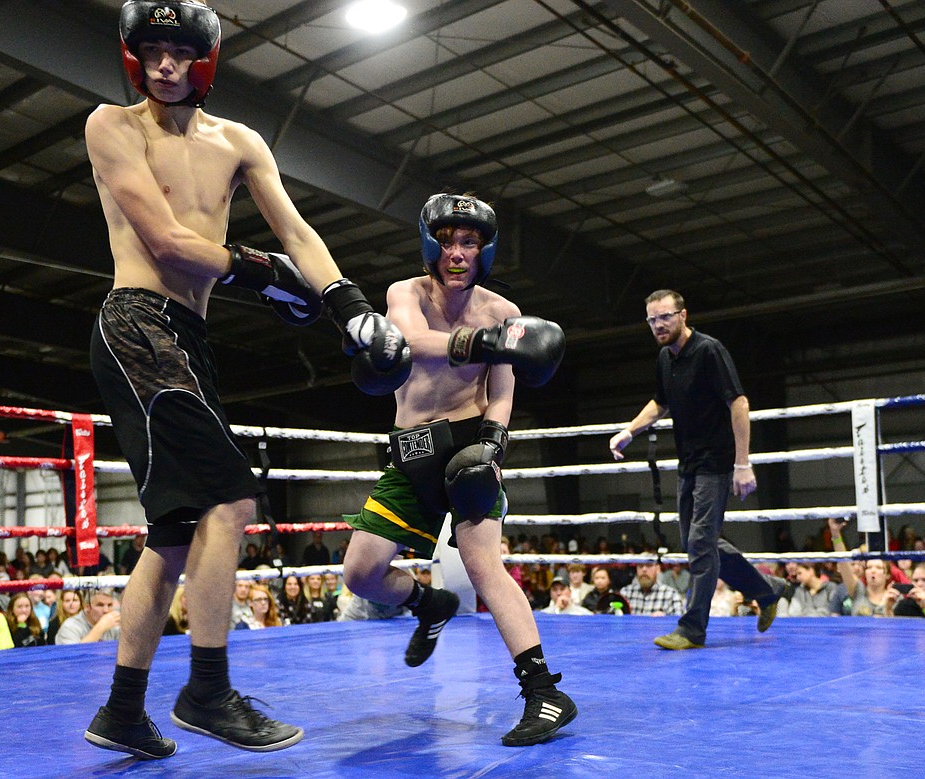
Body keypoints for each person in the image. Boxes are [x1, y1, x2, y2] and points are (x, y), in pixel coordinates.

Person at [81, 1, 412, 760]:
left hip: (189, 337)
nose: (166, 65)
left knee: (172, 532)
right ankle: (206, 689)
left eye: (180, 52)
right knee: (230, 496)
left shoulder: (240, 141)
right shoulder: (112, 125)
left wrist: (351, 309)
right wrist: (263, 274)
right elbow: (165, 238)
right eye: (153, 51)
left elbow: (297, 231)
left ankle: (122, 710)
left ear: (206, 60)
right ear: (136, 57)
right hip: (136, 323)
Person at [340, 193, 573, 747]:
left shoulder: (503, 313)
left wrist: (490, 448)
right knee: (360, 573)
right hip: (412, 448)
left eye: (468, 242)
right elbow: (411, 344)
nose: (457, 253)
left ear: (484, 250)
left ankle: (545, 692)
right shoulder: (406, 293)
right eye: (447, 241)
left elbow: (501, 394)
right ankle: (429, 603)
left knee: (484, 567)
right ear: (430, 245)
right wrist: (484, 342)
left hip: (469, 447)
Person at [610, 289, 787, 649]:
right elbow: (660, 402)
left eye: (665, 317)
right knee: (700, 542)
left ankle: (692, 629)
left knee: (700, 543)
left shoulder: (709, 350)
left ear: (683, 315)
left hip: (717, 462)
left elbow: (738, 401)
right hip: (688, 463)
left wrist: (742, 462)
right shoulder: (665, 358)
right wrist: (630, 431)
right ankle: (766, 590)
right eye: (652, 319)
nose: (659, 325)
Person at [55, 589, 123, 644]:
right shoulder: (70, 627)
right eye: (100, 605)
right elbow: (73, 657)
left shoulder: (115, 625)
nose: (106, 610)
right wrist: (101, 627)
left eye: (109, 605)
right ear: (87, 607)